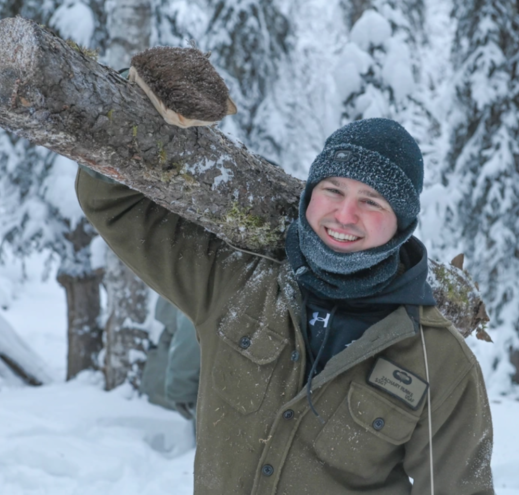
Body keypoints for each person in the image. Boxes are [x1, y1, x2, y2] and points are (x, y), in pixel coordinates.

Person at [76, 118, 494, 494]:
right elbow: (115, 203)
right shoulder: (234, 281)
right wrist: (144, 107)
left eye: (372, 201)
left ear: (401, 223)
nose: (344, 214)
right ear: (309, 195)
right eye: (333, 190)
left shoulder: (438, 361)